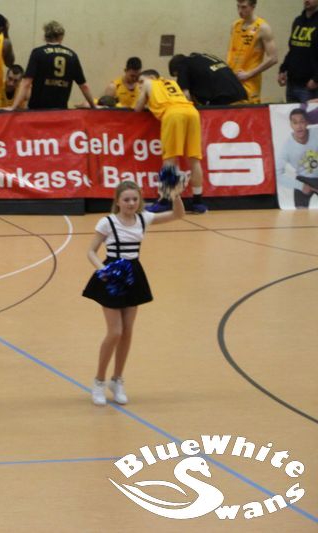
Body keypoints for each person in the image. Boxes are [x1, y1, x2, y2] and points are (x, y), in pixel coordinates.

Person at [82, 181, 184, 406]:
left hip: (133, 276)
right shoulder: (107, 222)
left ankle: (117, 380)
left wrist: (175, 194)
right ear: (117, 201)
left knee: (127, 332)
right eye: (126, 199)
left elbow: (178, 215)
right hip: (111, 275)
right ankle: (99, 381)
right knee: (115, 332)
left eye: (135, 199)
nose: (131, 203)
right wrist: (103, 271)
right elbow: (91, 251)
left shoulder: (144, 218)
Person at [134, 70, 208, 214]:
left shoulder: (149, 83)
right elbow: (186, 97)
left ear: (151, 77)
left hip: (173, 114)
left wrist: (147, 100)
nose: (140, 85)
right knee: (194, 159)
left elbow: (137, 108)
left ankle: (165, 201)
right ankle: (198, 202)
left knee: (170, 160)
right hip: (192, 112)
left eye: (141, 81)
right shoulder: (172, 83)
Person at [6, 21, 96, 110]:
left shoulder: (38, 53)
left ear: (45, 37)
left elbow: (26, 83)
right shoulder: (72, 56)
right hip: (60, 110)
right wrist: (93, 106)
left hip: (38, 110)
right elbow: (84, 86)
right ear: (61, 37)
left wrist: (13, 107)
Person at [227, 0, 278, 104]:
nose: (240, 11)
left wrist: (249, 74)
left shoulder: (263, 28)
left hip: (249, 83)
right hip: (232, 80)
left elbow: (273, 58)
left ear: (253, 6)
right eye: (238, 7)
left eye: (244, 7)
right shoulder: (235, 25)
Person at [275, 108, 318, 208]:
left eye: (302, 122)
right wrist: (300, 186)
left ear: (307, 123)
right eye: (295, 123)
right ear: (291, 125)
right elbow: (278, 174)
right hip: (302, 180)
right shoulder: (286, 147)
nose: (299, 126)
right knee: (300, 211)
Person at [168, 53, 248, 105]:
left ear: (176, 69)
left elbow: (186, 95)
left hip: (224, 99)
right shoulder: (204, 58)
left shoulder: (183, 64)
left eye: (177, 75)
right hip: (242, 95)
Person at [278, 0, 318, 103]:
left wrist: (316, 79)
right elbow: (293, 50)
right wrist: (283, 69)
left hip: (310, 86)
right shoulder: (298, 21)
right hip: (292, 83)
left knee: (307, 114)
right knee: (292, 113)